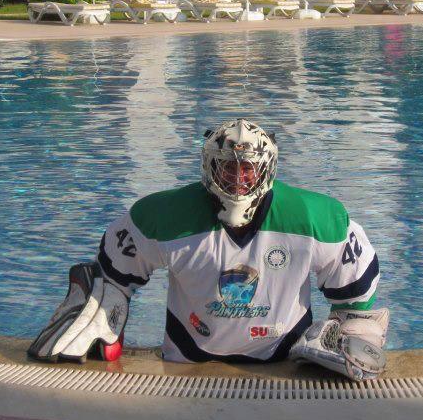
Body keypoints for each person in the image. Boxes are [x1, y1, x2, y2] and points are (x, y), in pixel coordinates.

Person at [28, 119, 389, 381]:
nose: (238, 178)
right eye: (228, 167)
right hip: (186, 363)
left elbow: (356, 301)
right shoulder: (162, 216)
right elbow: (113, 277)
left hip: (285, 362)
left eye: (248, 169)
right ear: (209, 166)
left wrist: (352, 331)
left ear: (266, 170)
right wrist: (103, 307)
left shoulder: (317, 218)